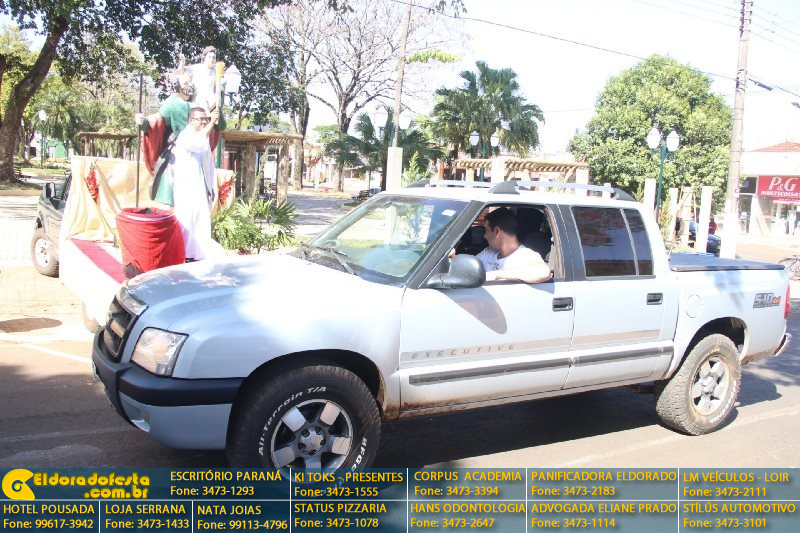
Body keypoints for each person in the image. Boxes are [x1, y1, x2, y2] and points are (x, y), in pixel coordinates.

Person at [172, 107, 225, 261]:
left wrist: (211, 185)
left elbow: (208, 164)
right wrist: (212, 122)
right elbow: (196, 144)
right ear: (191, 120)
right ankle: (184, 253)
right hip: (186, 186)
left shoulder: (203, 137)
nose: (203, 122)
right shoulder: (186, 135)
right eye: (200, 119)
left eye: (205, 119)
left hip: (200, 186)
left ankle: (197, 254)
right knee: (187, 218)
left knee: (200, 219)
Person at [474, 207, 551, 283]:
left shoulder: (526, 256)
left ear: (497, 231)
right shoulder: (488, 252)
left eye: (487, 230)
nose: (485, 236)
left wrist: (495, 274)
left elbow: (544, 272)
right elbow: (470, 267)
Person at [185, 46, 219, 113]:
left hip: (211, 101)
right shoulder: (196, 68)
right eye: (209, 57)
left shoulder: (216, 72)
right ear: (205, 58)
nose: (211, 59)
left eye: (213, 57)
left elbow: (218, 87)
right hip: (197, 100)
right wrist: (182, 62)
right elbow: (182, 70)